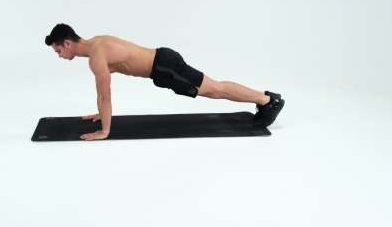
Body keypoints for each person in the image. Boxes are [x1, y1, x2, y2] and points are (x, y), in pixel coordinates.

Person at [45, 23, 285, 141]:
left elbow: (105, 95)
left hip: (165, 68)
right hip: (163, 62)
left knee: (215, 90)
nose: (59, 56)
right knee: (214, 89)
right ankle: (266, 99)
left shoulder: (97, 56)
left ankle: (267, 100)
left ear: (67, 43)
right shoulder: (97, 42)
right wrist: (101, 112)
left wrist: (104, 131)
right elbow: (106, 90)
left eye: (58, 51)